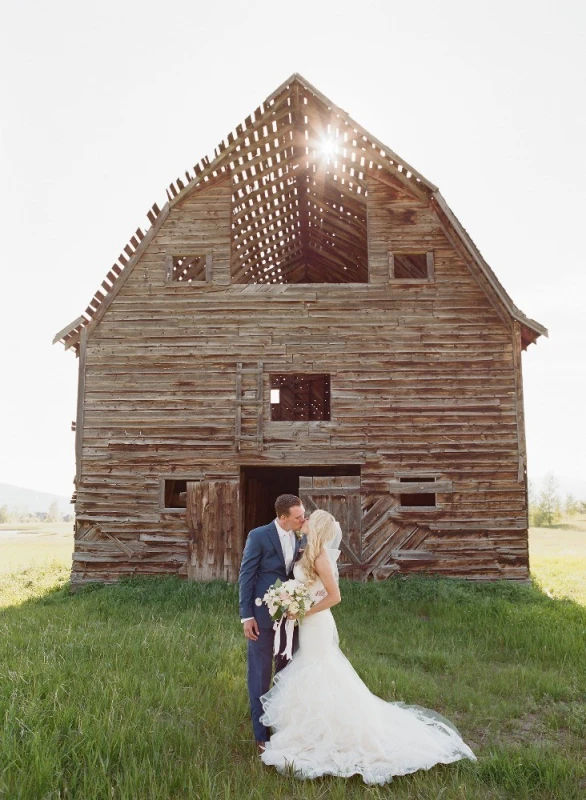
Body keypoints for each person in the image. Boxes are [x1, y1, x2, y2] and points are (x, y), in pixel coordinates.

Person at [259, 509, 478, 785]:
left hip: (317, 624)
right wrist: (291, 600)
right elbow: (309, 588)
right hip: (307, 624)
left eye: (310, 519)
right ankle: (310, 730)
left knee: (320, 671)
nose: (305, 521)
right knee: (311, 670)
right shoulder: (307, 552)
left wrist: (304, 611)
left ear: (317, 527)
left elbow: (335, 597)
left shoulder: (321, 557)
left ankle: (334, 732)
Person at [238, 494, 307, 754]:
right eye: (298, 516)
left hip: (291, 616)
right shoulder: (258, 536)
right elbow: (246, 575)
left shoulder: (301, 536)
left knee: (286, 672)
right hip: (262, 616)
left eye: (303, 514)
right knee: (260, 674)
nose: (303, 519)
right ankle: (261, 735)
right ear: (282, 517)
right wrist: (247, 616)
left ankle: (282, 725)